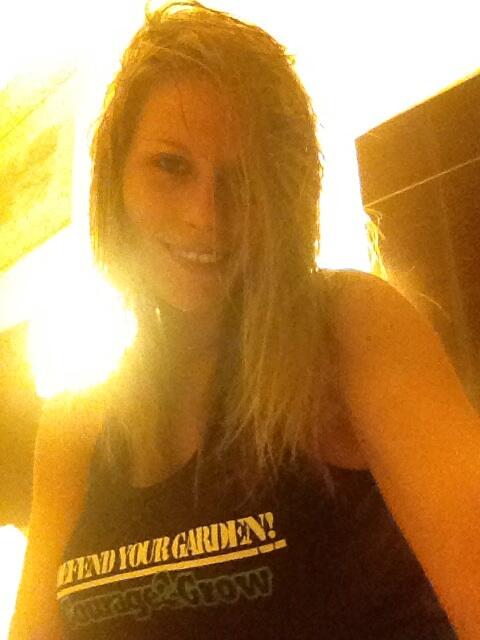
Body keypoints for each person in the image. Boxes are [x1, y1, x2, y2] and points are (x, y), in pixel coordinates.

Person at [10, 1, 479, 638]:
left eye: (244, 178)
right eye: (171, 165)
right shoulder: (73, 432)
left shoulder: (345, 328)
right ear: (115, 182)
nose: (205, 215)